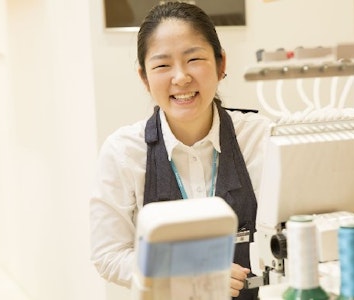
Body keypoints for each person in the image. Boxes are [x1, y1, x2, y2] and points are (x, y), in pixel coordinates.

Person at [90, 2, 270, 299]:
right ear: (144, 77)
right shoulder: (123, 152)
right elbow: (108, 254)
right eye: (162, 65)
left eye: (194, 59)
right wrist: (188, 273)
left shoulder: (260, 137)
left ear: (221, 63)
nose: (181, 77)